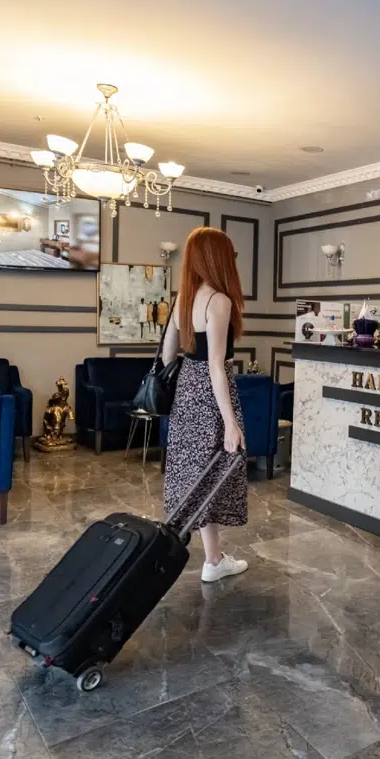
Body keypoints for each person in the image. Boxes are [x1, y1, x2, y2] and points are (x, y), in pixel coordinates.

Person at [161, 227, 249, 583]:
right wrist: (230, 422)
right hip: (213, 396)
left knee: (198, 474)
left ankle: (213, 559)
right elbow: (216, 365)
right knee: (217, 472)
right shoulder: (219, 301)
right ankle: (213, 561)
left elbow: (168, 355)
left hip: (186, 393)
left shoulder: (183, 299)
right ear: (219, 258)